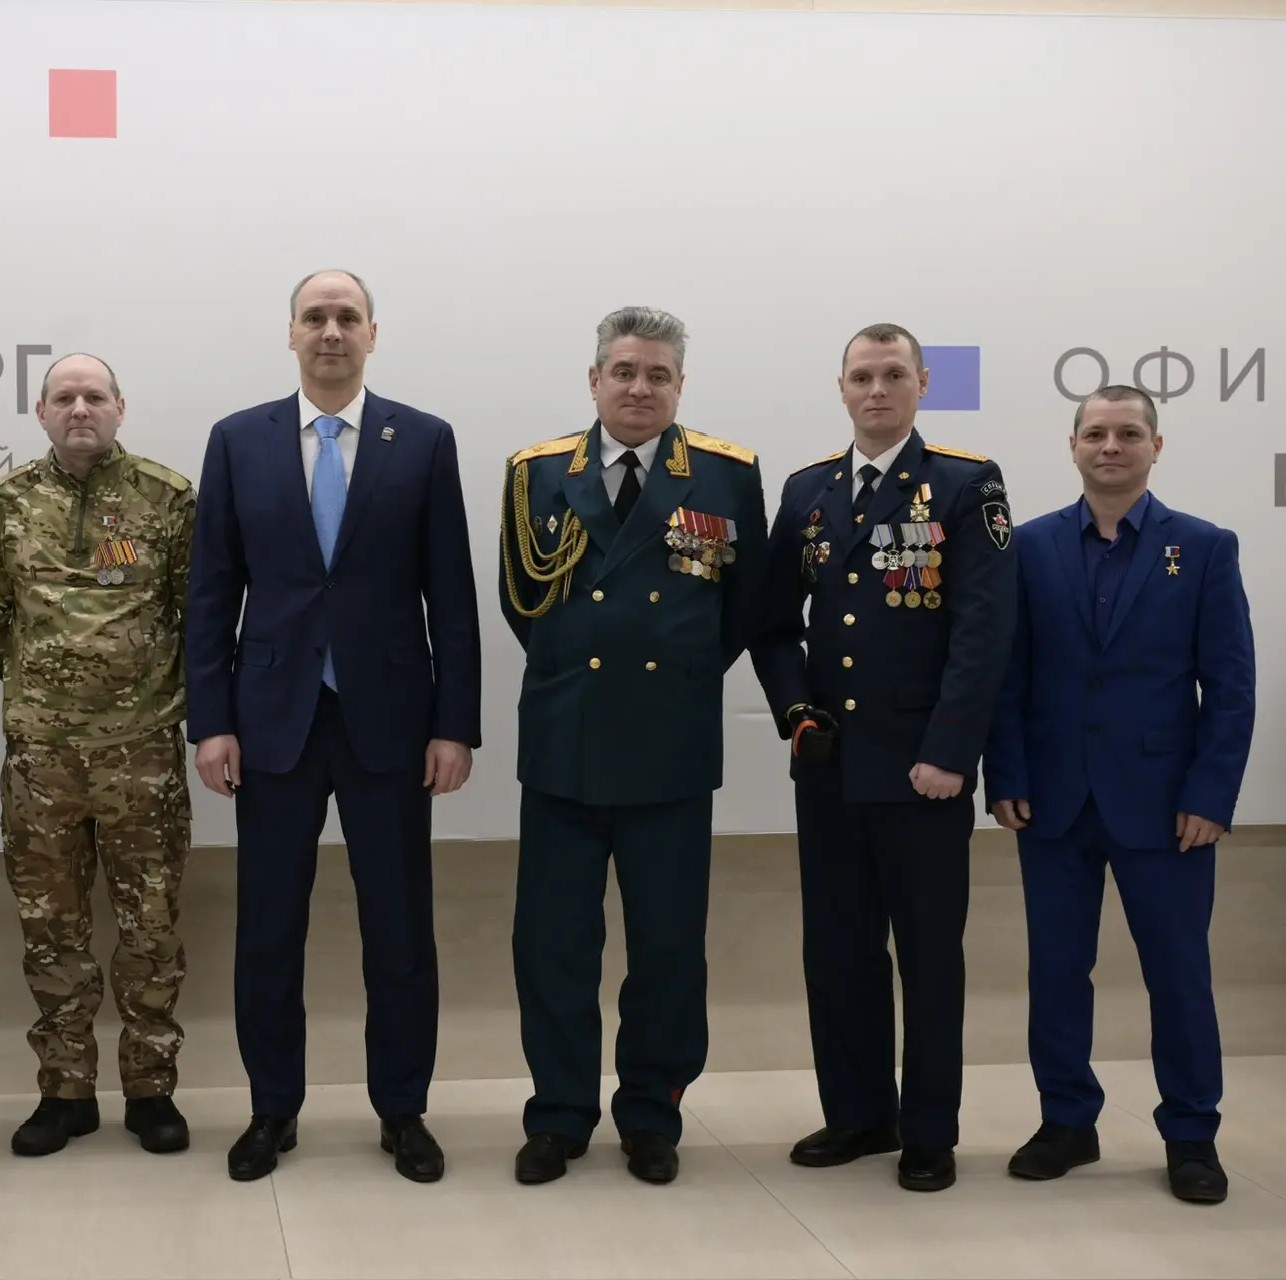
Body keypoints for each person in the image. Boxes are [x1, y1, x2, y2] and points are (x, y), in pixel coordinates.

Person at [184, 269, 482, 1183]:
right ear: (291, 333)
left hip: (389, 722)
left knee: (400, 930)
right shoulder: (238, 440)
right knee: (269, 930)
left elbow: (451, 595)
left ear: (372, 334)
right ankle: (272, 1108)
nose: (330, 331)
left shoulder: (423, 439)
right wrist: (211, 721)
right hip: (272, 722)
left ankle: (403, 1110)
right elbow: (212, 592)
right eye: (314, 317)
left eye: (347, 317)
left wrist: (455, 724)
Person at [500, 306, 768, 1187]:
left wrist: (674, 679)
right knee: (553, 947)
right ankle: (559, 1114)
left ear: (680, 385)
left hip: (669, 749)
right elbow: (521, 604)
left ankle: (652, 1114)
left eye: (658, 374)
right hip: (565, 746)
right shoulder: (537, 473)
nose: (639, 388)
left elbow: (744, 610)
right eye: (624, 371)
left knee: (667, 950)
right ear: (595, 380)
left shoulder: (727, 475)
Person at [751, 322, 1017, 1193]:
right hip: (829, 766)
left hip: (921, 773)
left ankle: (929, 1130)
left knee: (930, 957)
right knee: (838, 951)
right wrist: (795, 711)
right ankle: (860, 1113)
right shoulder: (808, 490)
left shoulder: (966, 484)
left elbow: (983, 631)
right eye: (862, 376)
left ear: (922, 385)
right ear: (841, 387)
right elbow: (771, 622)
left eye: (893, 375)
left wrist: (950, 752)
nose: (876, 390)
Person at [984, 385, 1254, 1205]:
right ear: (1072, 446)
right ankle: (1067, 1121)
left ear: (1155, 447)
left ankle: (1191, 1133)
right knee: (1057, 971)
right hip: (1053, 801)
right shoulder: (1029, 546)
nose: (1111, 446)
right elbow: (1007, 675)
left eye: (1128, 433)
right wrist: (1008, 776)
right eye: (1095, 433)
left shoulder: (1203, 547)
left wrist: (1211, 795)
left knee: (1179, 974)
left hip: (1168, 807)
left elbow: (1231, 687)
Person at [0, 353, 198, 1158]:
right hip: (43, 759)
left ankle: (151, 1090)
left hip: (143, 753)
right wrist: (52, 690)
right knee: (51, 930)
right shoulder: (5, 504)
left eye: (94, 396)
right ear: (41, 411)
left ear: (119, 407)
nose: (79, 409)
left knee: (151, 929)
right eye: (63, 397)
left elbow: (195, 615)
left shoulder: (167, 499)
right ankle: (64, 1093)